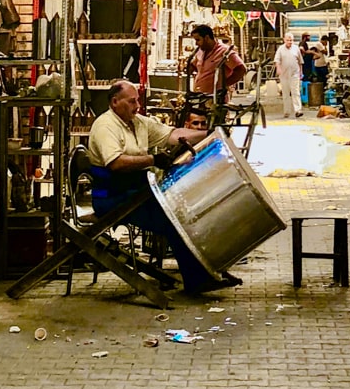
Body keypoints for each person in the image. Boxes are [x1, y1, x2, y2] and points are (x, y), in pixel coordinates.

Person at [87, 81, 240, 292]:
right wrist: (153, 159)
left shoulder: (138, 122)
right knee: (175, 220)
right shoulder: (105, 126)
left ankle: (210, 269)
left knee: (189, 209)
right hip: (114, 197)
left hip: (136, 192)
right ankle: (197, 279)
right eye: (132, 101)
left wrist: (210, 134)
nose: (137, 105)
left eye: (138, 100)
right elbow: (116, 163)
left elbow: (173, 135)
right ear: (115, 102)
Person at [187, 24, 246, 99]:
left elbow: (241, 69)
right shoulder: (200, 51)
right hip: (199, 96)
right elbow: (196, 66)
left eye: (198, 40)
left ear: (207, 38)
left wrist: (224, 84)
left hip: (216, 98)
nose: (196, 43)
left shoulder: (224, 51)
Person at [274, 33, 303, 118]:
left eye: (291, 40)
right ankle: (287, 111)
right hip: (284, 75)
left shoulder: (296, 48)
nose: (290, 42)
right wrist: (278, 68)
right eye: (288, 40)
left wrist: (301, 72)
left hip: (295, 73)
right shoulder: (280, 49)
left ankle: (298, 110)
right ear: (284, 40)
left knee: (296, 92)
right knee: (286, 93)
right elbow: (277, 60)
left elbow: (300, 61)